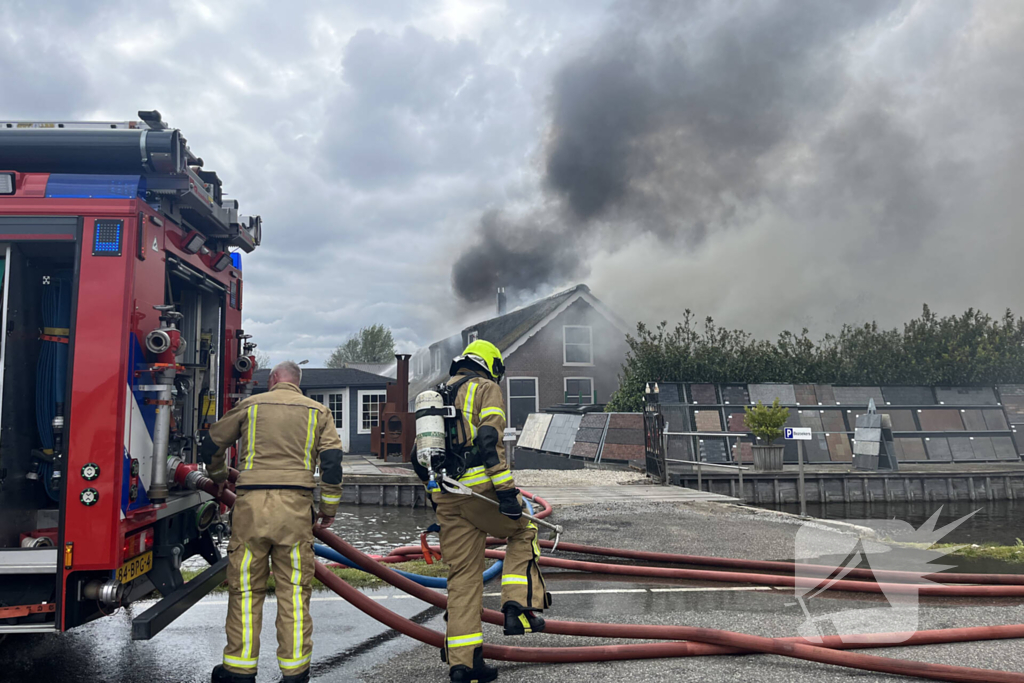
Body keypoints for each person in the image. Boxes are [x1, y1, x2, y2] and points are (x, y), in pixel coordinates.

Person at [413, 340, 550, 683]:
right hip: (482, 491)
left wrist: (437, 496)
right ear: (489, 365)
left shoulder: (437, 396)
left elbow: (416, 459)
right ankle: (517, 608)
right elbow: (489, 439)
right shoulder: (486, 388)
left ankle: (464, 664)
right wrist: (506, 493)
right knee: (524, 531)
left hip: (448, 498)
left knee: (462, 579)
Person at [201, 361, 344, 683]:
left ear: (274, 379)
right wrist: (329, 507)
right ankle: (294, 673)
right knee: (293, 591)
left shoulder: (250, 405)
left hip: (250, 510)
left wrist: (219, 477)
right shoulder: (318, 411)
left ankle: (239, 670)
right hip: (295, 513)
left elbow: (211, 444)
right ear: (297, 381)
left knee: (246, 591)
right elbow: (333, 462)